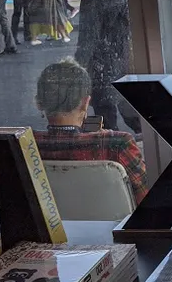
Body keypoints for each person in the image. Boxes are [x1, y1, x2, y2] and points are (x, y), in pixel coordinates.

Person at [33, 59, 148, 204]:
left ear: (39, 103)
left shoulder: (25, 146)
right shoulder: (117, 144)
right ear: (85, 102)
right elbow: (144, 196)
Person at [75, 0, 141, 133]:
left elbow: (88, 38)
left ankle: (113, 151)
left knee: (105, 120)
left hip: (102, 66)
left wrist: (77, 68)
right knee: (135, 115)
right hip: (129, 61)